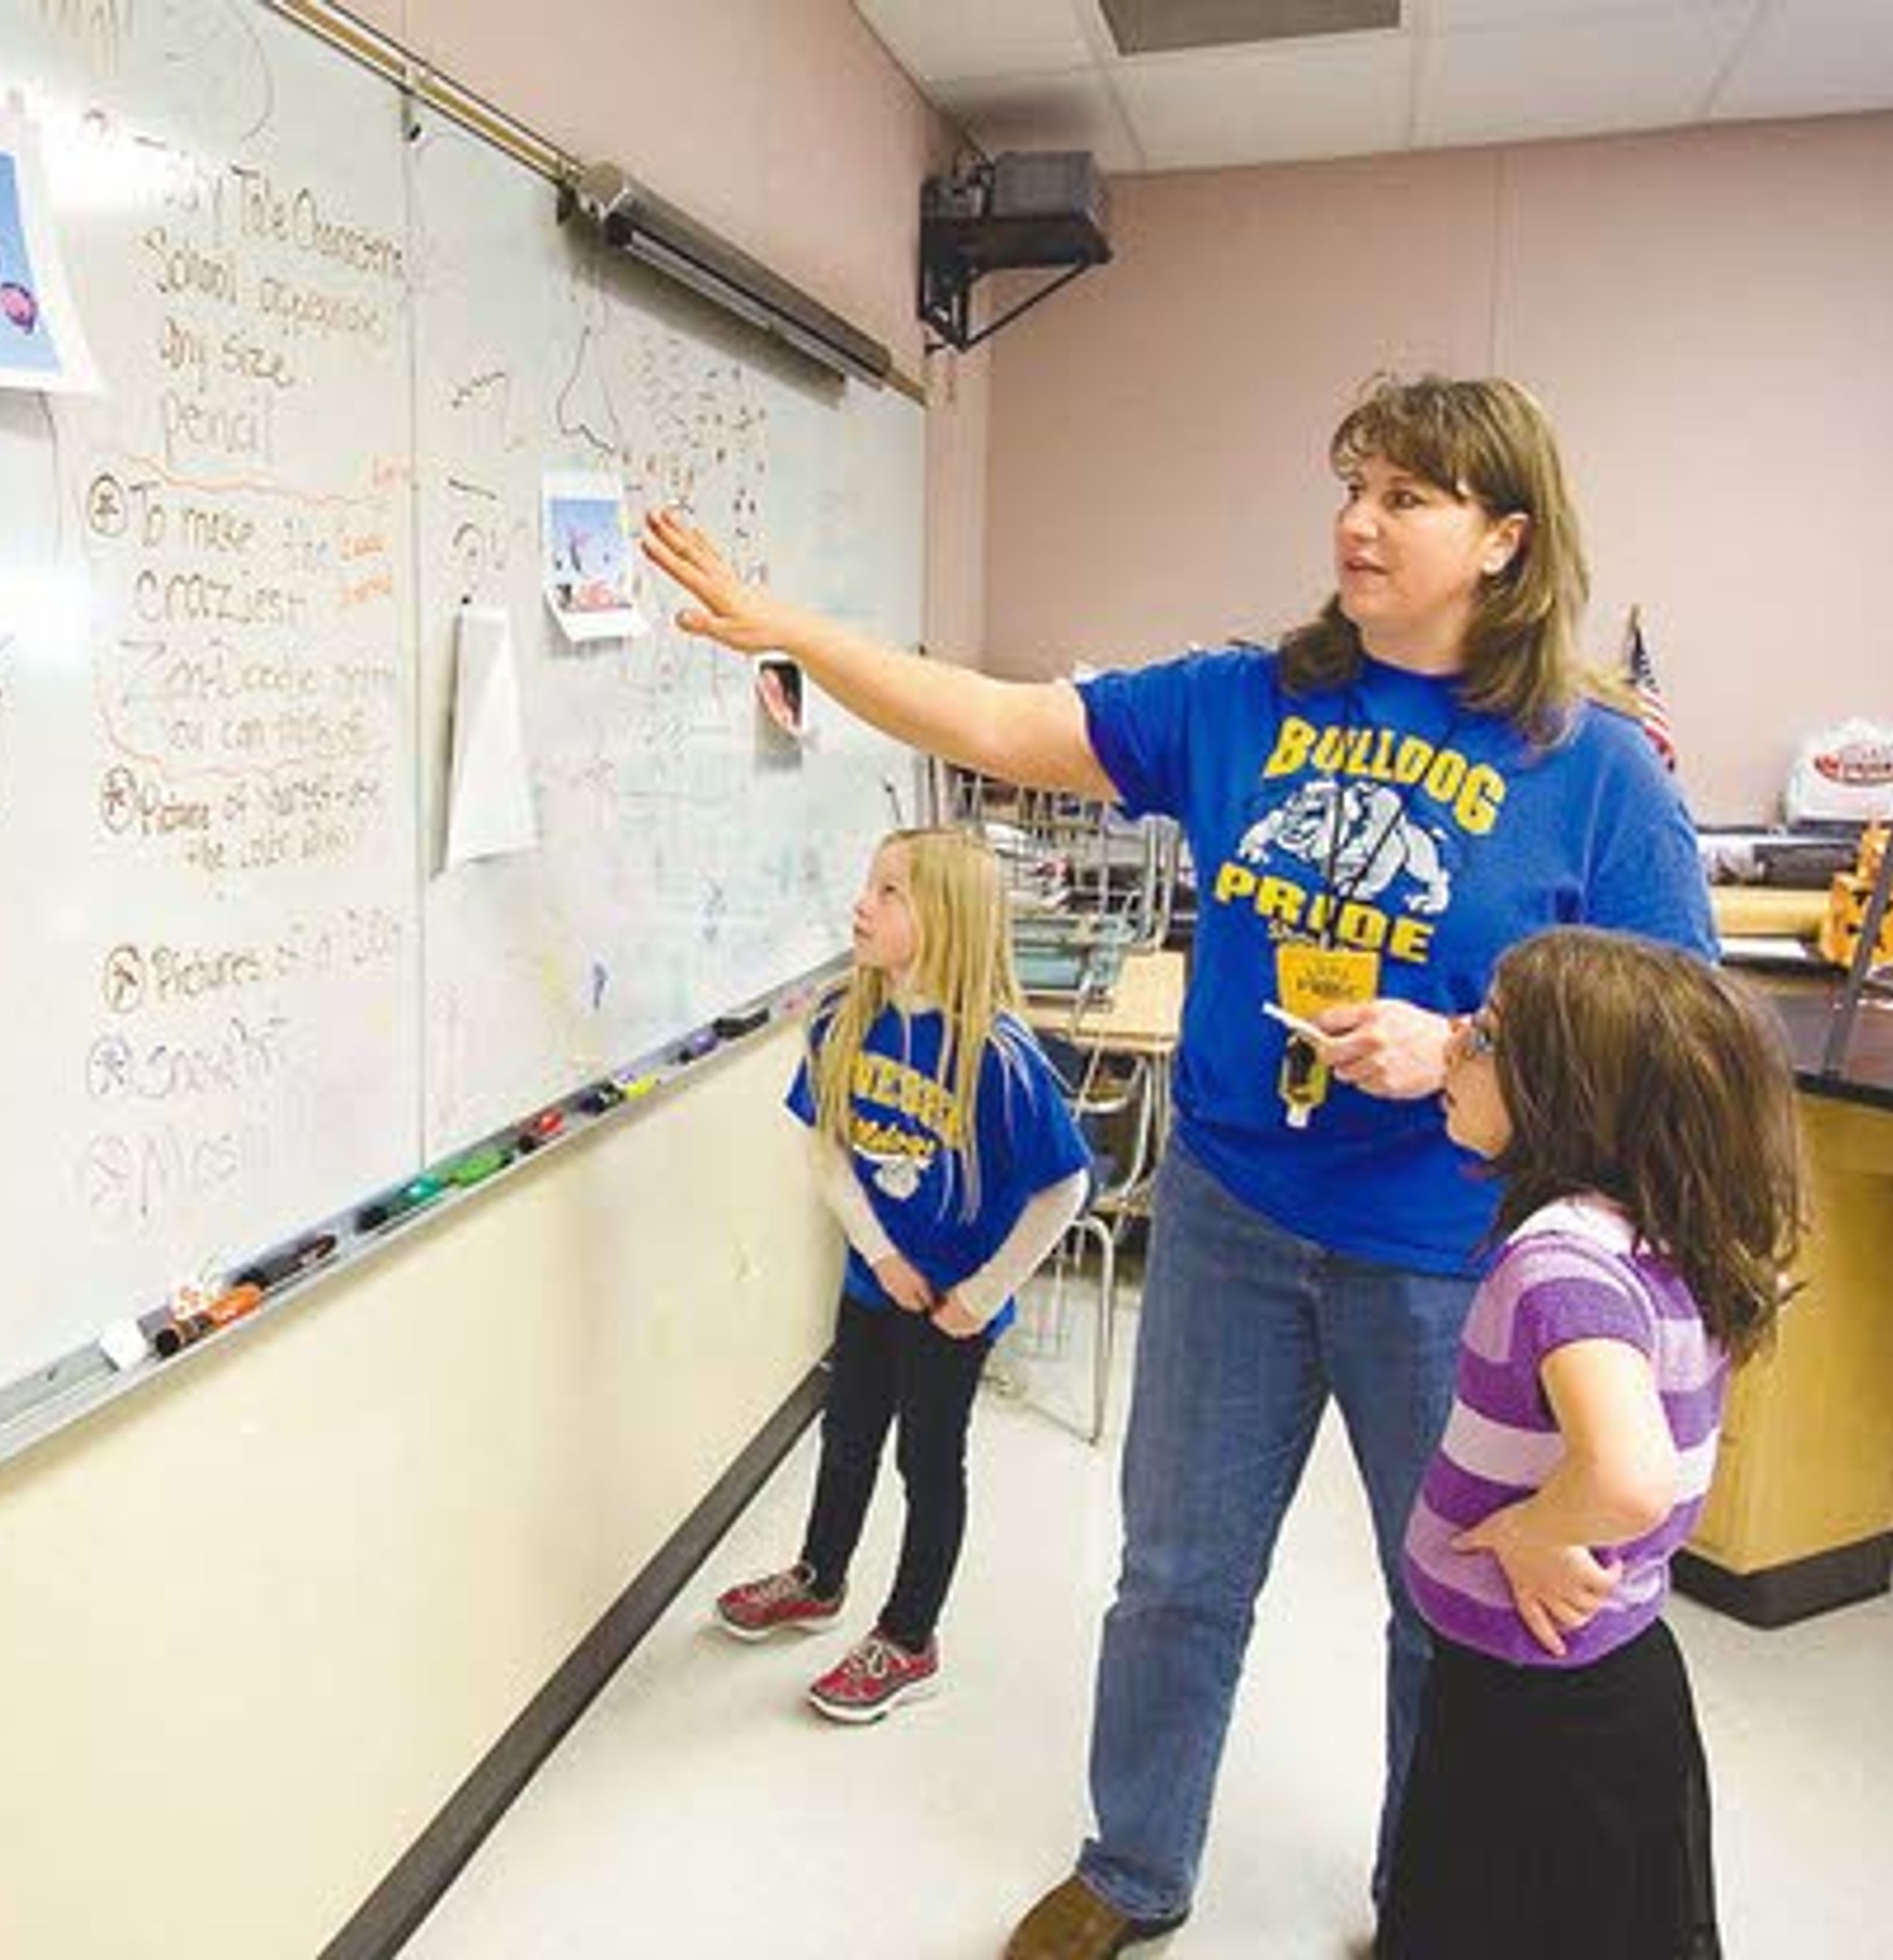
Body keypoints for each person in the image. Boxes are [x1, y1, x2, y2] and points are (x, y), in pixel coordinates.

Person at [639, 374, 1716, 1956]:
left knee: (1453, 1609)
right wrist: (785, 625)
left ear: (1503, 537)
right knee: (1176, 1574)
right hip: (1231, 1210)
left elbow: (1679, 1027)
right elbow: (1002, 718)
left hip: (1450, 1256)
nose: (1357, 518)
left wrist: (1469, 1040)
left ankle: (1427, 1901)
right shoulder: (1244, 699)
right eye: (1353, 482)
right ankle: (1134, 1867)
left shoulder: (1592, 763)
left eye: (1407, 496)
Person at [1382, 928, 1799, 1958]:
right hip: (1598, 1678)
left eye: (1483, 1038)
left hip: (1538, 1709)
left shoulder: (1557, 1259)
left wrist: (1530, 1530)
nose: (1453, 1050)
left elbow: (1629, 1475)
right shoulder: (1659, 1230)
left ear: (1566, 1094)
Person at [714, 826, 1089, 1722]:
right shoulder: (844, 1017)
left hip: (952, 1311)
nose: (862, 905)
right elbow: (828, 1150)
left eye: (889, 893)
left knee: (929, 1461)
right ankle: (820, 1576)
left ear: (947, 919)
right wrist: (880, 1255)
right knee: (846, 1438)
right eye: (868, 885)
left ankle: (910, 1637)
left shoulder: (998, 1057)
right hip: (874, 1286)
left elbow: (1064, 1187)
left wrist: (982, 1296)